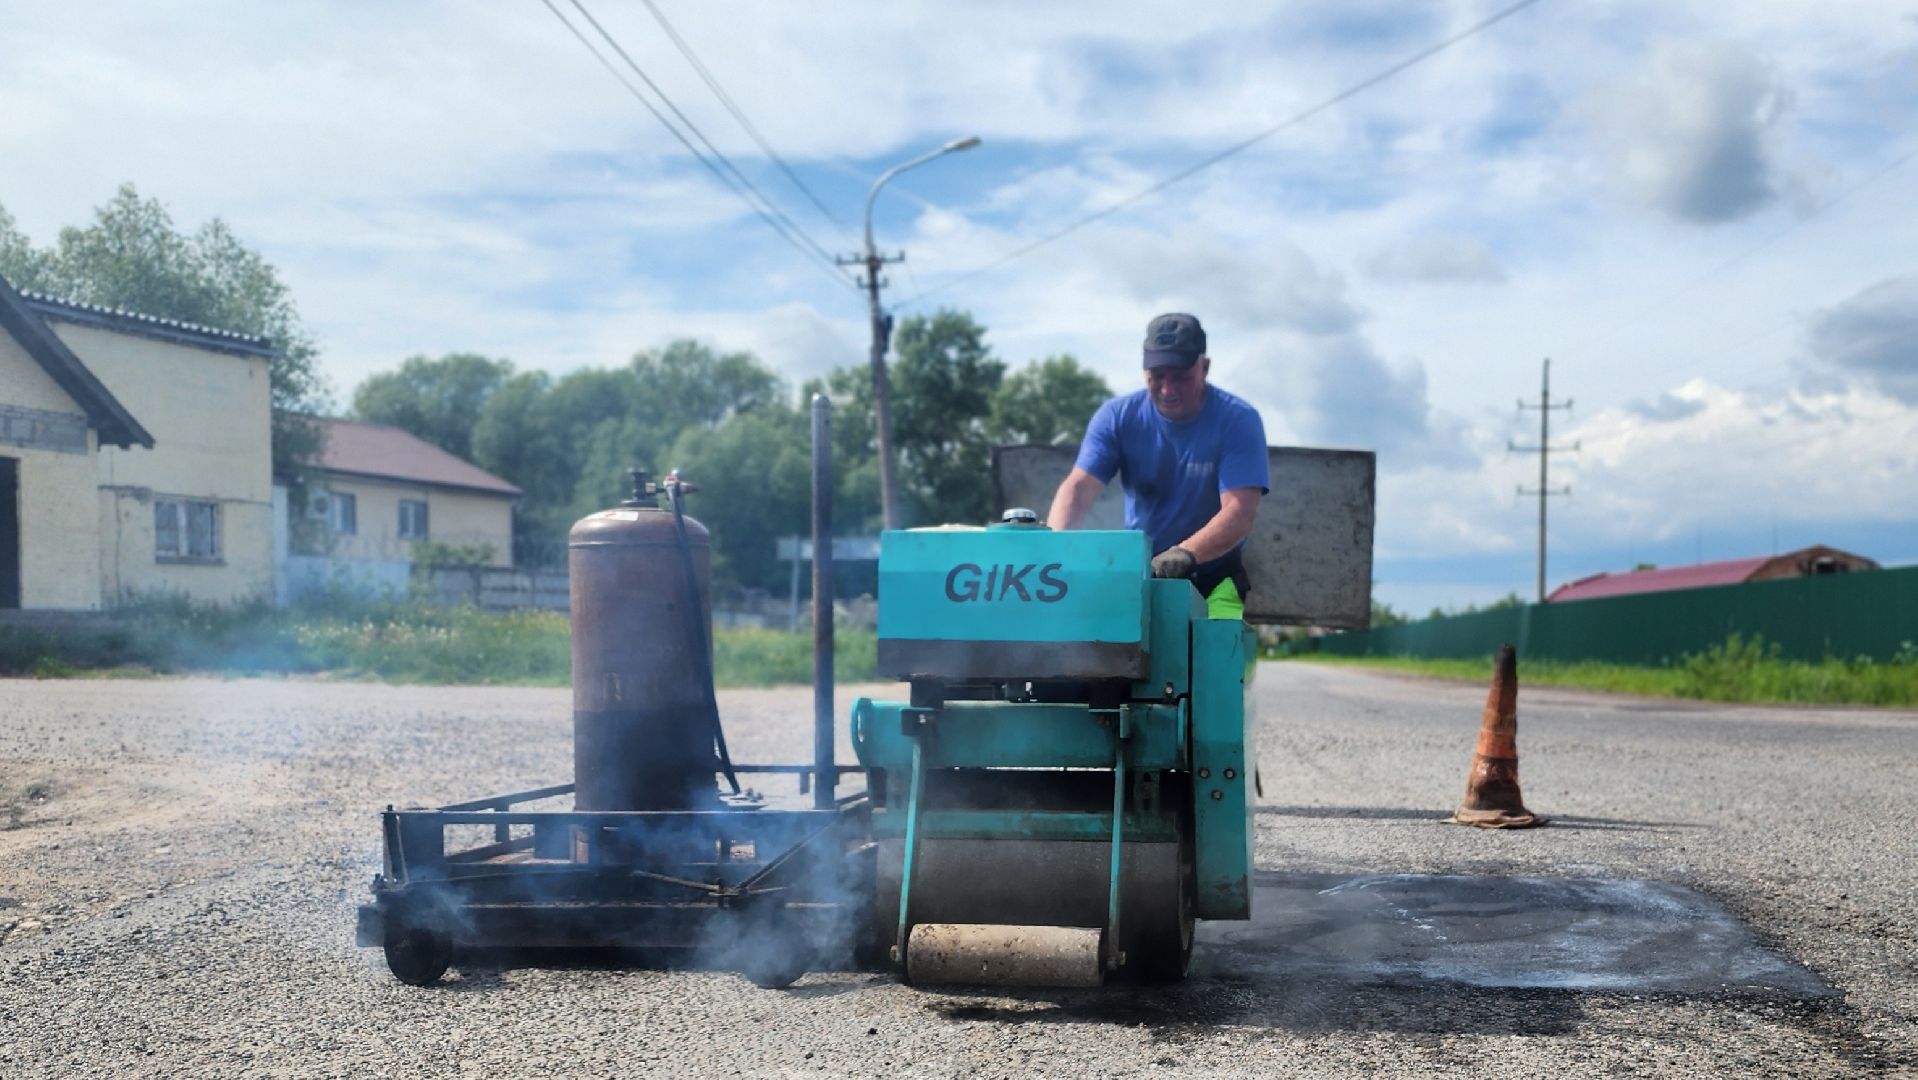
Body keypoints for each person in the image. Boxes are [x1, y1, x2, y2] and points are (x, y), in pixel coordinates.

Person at [1046, 312, 1268, 619]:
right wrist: (1052, 549)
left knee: (1216, 655)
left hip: (1217, 578)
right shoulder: (1117, 417)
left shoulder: (1238, 420)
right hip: (1141, 575)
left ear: (1204, 368)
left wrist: (1184, 554)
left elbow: (1240, 511)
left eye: (1180, 376)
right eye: (1157, 375)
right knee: (1127, 658)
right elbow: (1079, 487)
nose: (1167, 388)